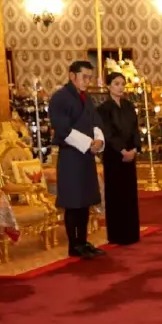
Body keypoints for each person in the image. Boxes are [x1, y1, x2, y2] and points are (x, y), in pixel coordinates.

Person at [49, 61, 106, 259]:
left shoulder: (86, 97)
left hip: (87, 156)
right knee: (73, 202)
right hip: (71, 155)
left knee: (85, 201)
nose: (87, 81)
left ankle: (83, 241)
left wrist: (99, 139)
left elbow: (95, 122)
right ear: (72, 75)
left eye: (90, 77)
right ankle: (74, 245)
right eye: (85, 77)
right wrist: (88, 143)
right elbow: (62, 128)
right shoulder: (60, 98)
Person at [97, 71, 141, 246]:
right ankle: (117, 234)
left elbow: (135, 129)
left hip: (130, 156)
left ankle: (131, 233)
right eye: (116, 83)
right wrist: (122, 151)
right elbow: (107, 133)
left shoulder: (129, 106)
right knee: (116, 195)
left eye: (123, 84)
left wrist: (135, 149)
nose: (120, 87)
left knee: (129, 194)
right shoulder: (103, 110)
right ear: (108, 86)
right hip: (114, 157)